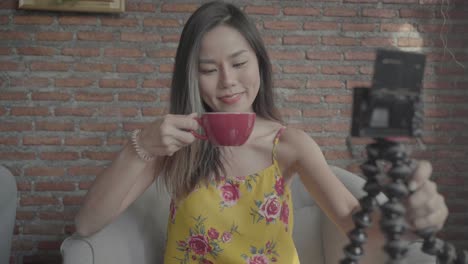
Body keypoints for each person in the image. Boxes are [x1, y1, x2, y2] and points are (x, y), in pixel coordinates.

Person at [75, 1, 449, 263]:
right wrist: (138, 147)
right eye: (208, 69)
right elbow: (87, 224)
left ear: (259, 63)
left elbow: (353, 219)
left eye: (239, 63)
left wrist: (408, 218)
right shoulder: (176, 142)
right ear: (191, 78)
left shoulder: (291, 144)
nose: (228, 82)